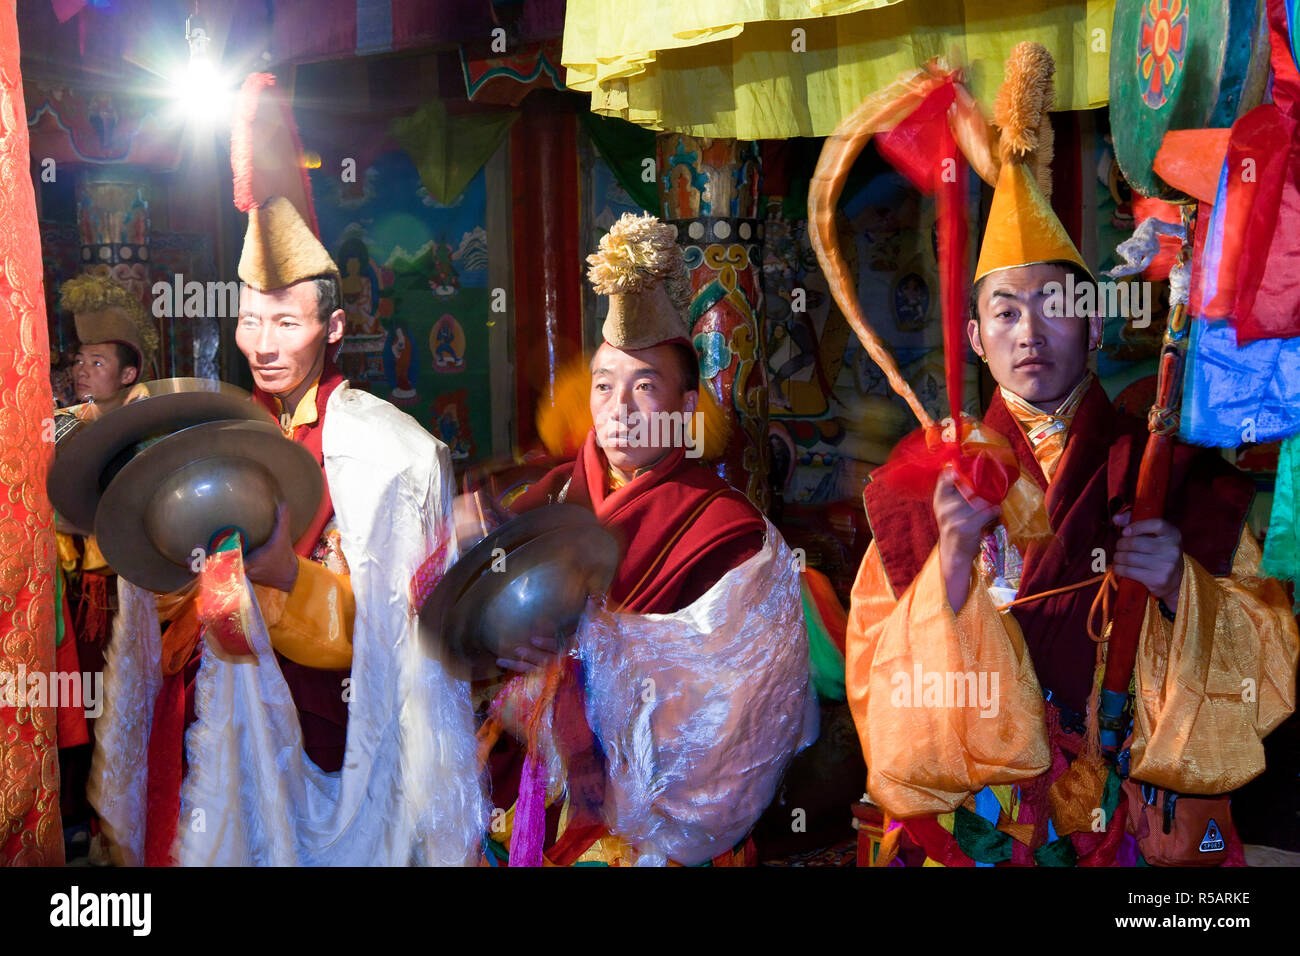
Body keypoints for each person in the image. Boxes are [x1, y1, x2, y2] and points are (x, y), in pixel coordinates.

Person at [845, 45, 1298, 867]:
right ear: (975, 337)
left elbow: (1268, 654)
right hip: (984, 813)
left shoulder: (1168, 472)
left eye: (1054, 306)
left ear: (1092, 326)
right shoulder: (923, 491)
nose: (1030, 331)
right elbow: (879, 678)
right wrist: (951, 565)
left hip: (1128, 803)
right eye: (1006, 313)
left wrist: (1180, 589)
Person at [87, 72, 485, 866]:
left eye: (287, 322)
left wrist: (287, 580)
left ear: (332, 328)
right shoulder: (218, 436)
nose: (264, 345)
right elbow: (160, 603)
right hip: (228, 733)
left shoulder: (390, 454)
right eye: (250, 321)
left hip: (340, 741)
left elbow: (397, 637)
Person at [481, 212, 816, 866]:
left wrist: (588, 656)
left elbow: (741, 710)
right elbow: (473, 650)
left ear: (686, 408)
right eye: (605, 386)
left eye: (645, 387)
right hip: (538, 807)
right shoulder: (544, 500)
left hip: (668, 826)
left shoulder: (731, 534)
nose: (620, 409)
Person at [52, 273, 159, 861]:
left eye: (98, 362)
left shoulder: (153, 429)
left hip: (138, 589)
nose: (83, 370)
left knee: (134, 706)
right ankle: (81, 821)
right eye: (79, 360)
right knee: (80, 707)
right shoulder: (64, 422)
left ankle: (133, 821)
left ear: (128, 374)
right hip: (78, 593)